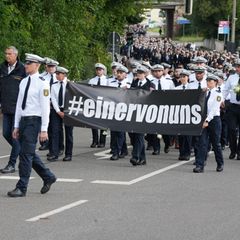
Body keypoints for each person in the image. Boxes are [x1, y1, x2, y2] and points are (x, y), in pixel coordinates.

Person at [8, 53, 56, 197]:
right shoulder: (23, 82)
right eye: (26, 63)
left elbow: (45, 108)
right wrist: (16, 125)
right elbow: (18, 106)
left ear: (37, 65)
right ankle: (48, 176)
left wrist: (44, 129)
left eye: (29, 63)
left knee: (25, 155)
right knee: (27, 152)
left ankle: (22, 187)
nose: (26, 65)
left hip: (34, 121)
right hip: (23, 120)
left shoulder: (43, 83)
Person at [0, 46, 26, 173]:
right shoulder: (2, 68)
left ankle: (12, 164)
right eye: (6, 54)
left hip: (18, 109)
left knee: (15, 136)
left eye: (10, 54)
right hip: (6, 107)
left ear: (16, 55)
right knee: (5, 133)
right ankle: (22, 151)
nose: (7, 56)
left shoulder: (22, 69)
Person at [193, 74, 224, 173]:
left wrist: (207, 120)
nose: (208, 83)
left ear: (215, 82)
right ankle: (199, 165)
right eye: (207, 81)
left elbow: (215, 109)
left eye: (210, 81)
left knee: (216, 144)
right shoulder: (205, 92)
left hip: (214, 120)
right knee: (202, 143)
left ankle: (220, 163)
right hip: (204, 119)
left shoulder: (218, 94)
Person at [130, 65, 155, 166]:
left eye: (140, 73)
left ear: (145, 74)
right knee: (134, 135)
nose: (138, 75)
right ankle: (143, 158)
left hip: (144, 113)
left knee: (139, 135)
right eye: (137, 73)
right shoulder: (134, 82)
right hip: (134, 112)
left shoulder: (150, 85)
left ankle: (135, 157)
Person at [49, 66, 73, 161]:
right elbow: (53, 99)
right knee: (55, 131)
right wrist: (58, 111)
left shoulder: (70, 85)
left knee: (68, 133)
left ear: (64, 75)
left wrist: (65, 111)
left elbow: (73, 98)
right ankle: (55, 153)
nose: (57, 76)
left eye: (59, 74)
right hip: (57, 110)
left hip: (68, 110)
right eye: (56, 74)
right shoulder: (54, 85)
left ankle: (68, 154)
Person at [39, 57, 61, 152]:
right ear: (46, 67)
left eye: (53, 67)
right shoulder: (43, 78)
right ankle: (46, 144)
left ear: (56, 67)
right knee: (46, 126)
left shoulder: (59, 77)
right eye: (49, 66)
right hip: (46, 105)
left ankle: (60, 147)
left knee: (57, 128)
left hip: (57, 106)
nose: (51, 68)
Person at [108, 65, 130, 160]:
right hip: (113, 110)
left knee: (120, 132)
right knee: (114, 132)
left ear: (126, 74)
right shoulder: (111, 83)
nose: (119, 74)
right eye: (118, 73)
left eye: (121, 73)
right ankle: (123, 149)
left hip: (123, 110)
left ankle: (116, 152)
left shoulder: (129, 84)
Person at [222, 60, 240, 160]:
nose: (237, 68)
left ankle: (239, 152)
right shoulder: (232, 77)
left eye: (239, 67)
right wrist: (222, 99)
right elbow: (225, 89)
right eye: (237, 66)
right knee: (231, 129)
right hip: (233, 106)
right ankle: (233, 150)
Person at [88, 63, 108, 148]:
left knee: (103, 124)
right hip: (94, 103)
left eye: (100, 70)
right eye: (97, 70)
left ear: (103, 71)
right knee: (93, 123)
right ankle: (95, 141)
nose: (98, 71)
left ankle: (102, 141)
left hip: (104, 104)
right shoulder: (92, 80)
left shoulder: (107, 81)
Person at [175, 69, 192, 160]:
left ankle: (187, 152)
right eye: (181, 77)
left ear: (188, 78)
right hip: (180, 113)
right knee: (180, 134)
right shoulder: (176, 89)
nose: (182, 78)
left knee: (188, 135)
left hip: (189, 113)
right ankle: (181, 153)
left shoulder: (192, 88)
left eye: (184, 77)